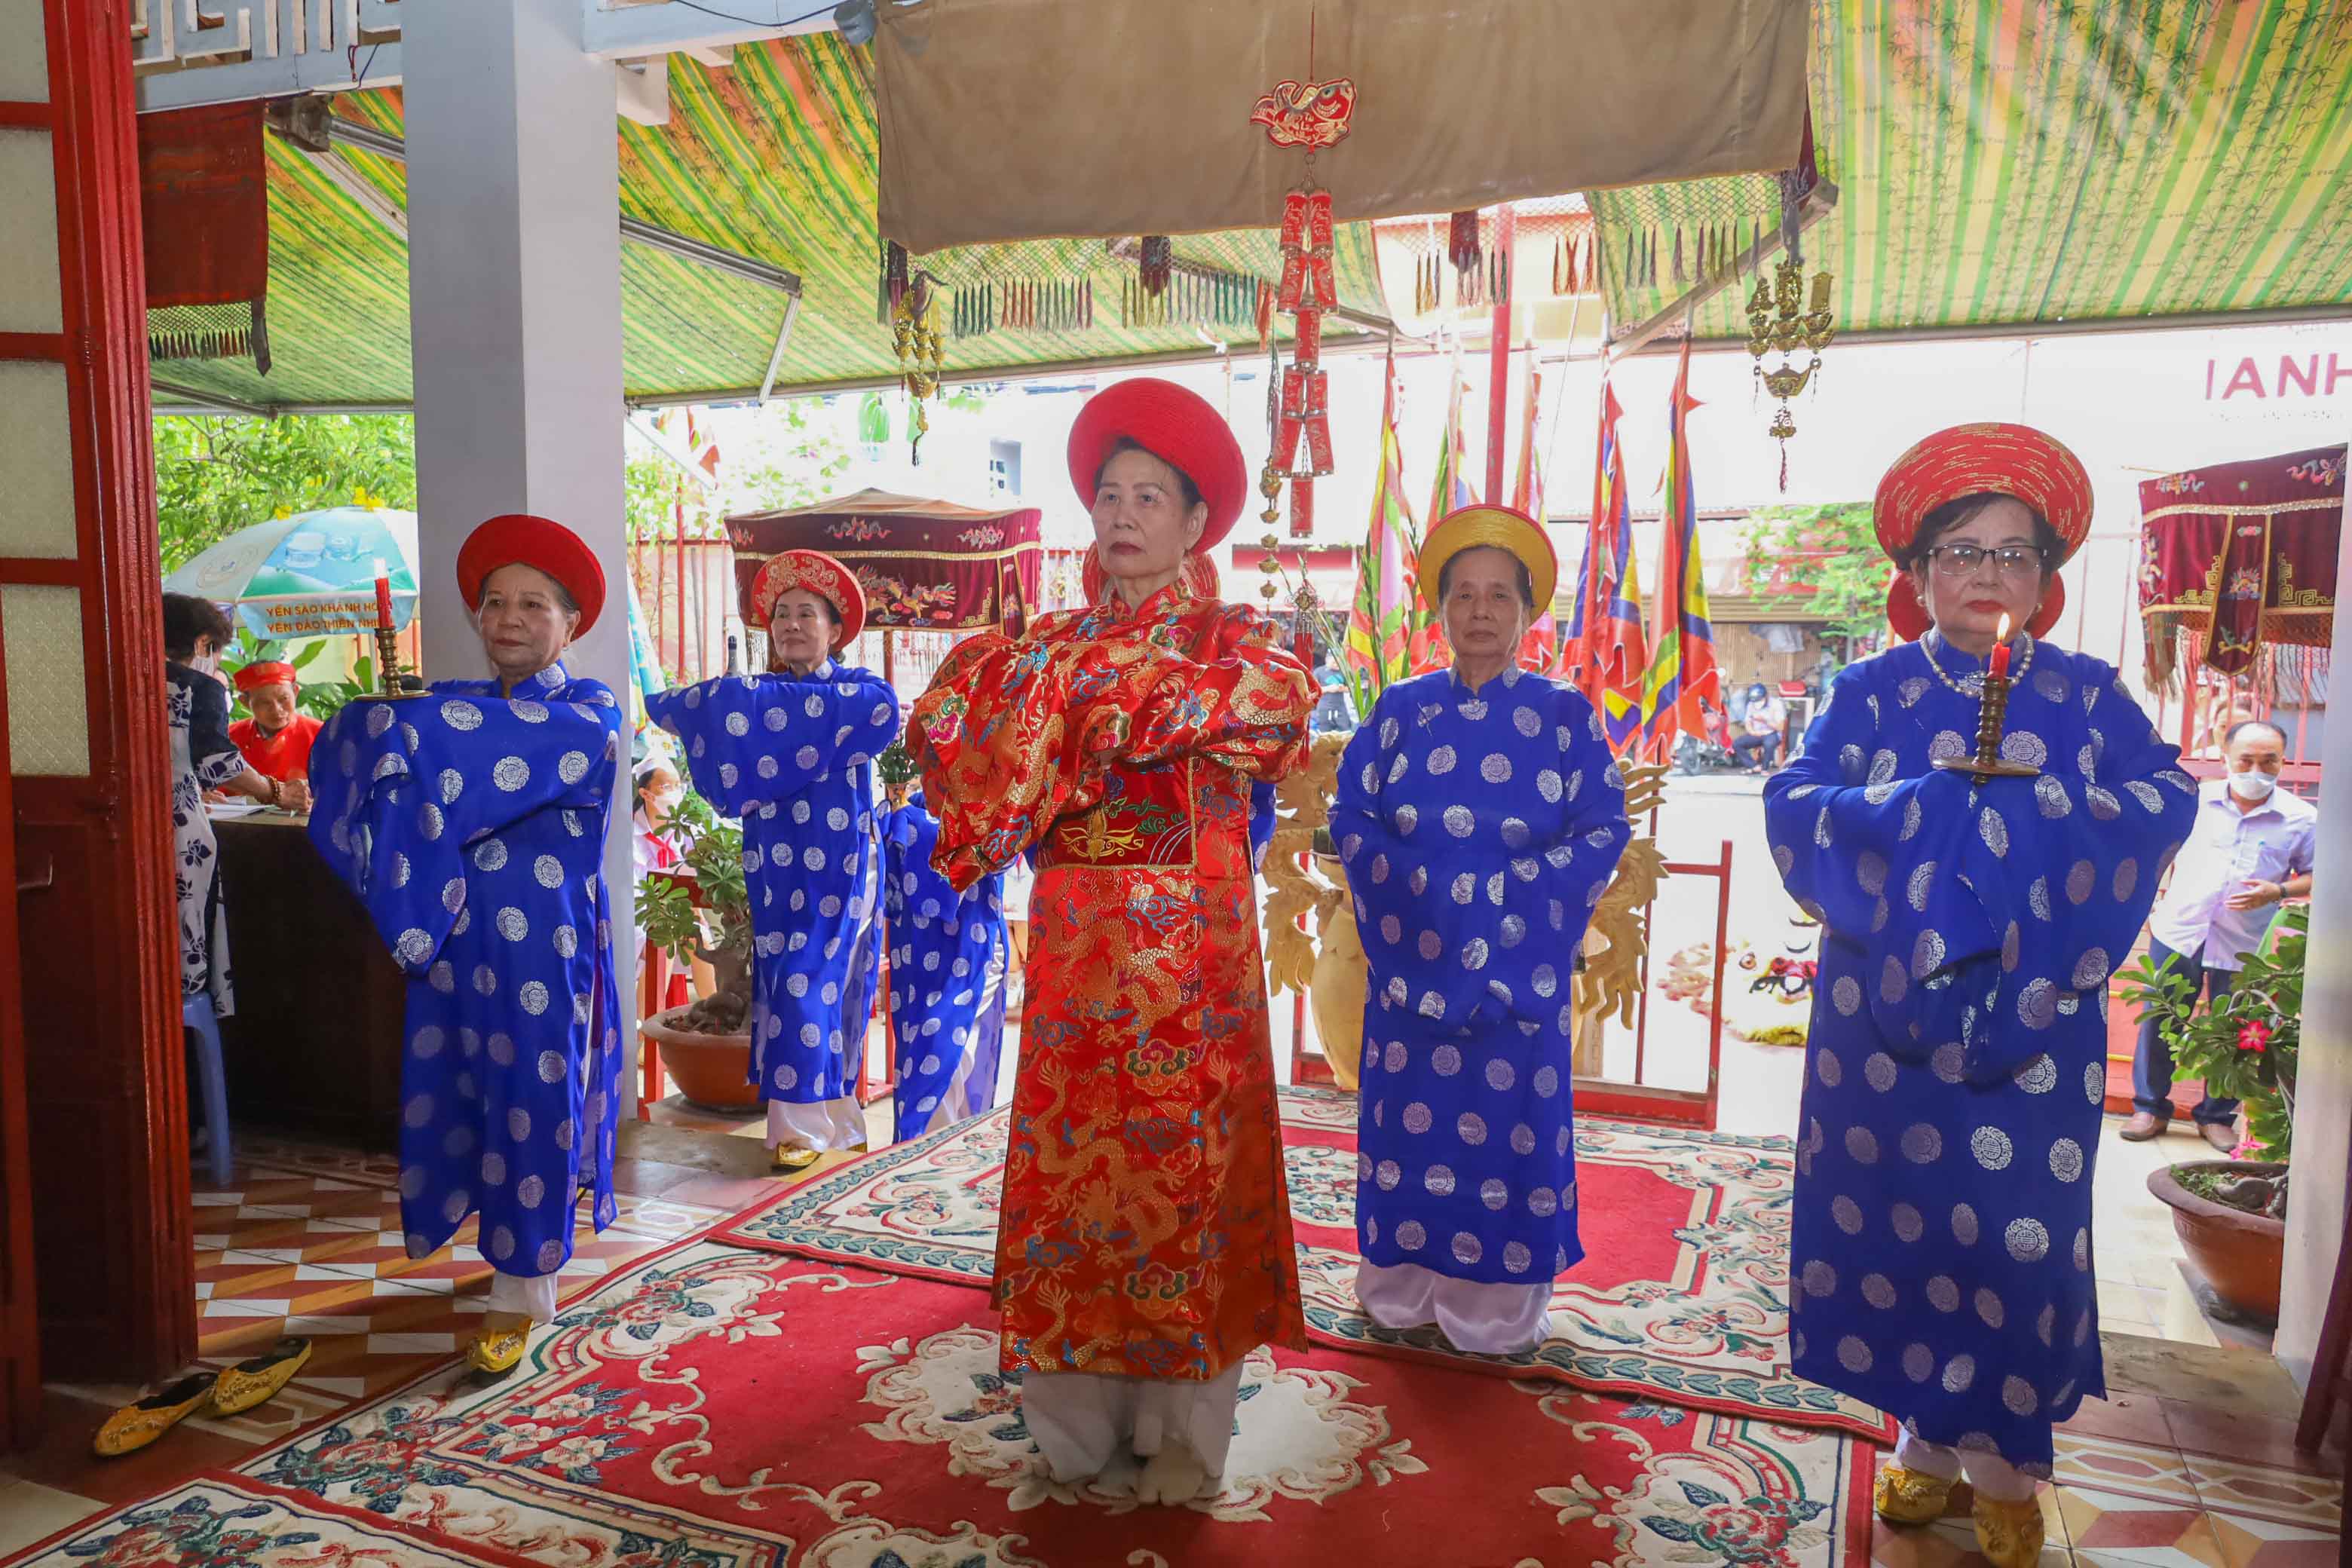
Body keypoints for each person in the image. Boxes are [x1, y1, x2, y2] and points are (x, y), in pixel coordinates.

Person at [1762, 424, 2194, 1568]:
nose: (1987, 574)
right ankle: (1922, 1440)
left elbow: (2166, 795)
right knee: (1897, 1224)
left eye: (2012, 553)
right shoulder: (1869, 690)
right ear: (1917, 578)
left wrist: (2045, 811)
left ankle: (2010, 1458)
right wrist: (1916, 805)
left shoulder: (2091, 699)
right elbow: (1794, 800)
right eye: (1961, 550)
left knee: (2012, 1239)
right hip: (1882, 1035)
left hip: (2036, 1029)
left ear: (2045, 582)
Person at [908, 378, 1317, 1504]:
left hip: (1199, 952)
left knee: (1192, 1186)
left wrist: (1084, 714)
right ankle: (1077, 1428)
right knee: (1076, 1185)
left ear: (1195, 524)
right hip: (1083, 949)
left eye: (1151, 496)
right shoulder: (1038, 644)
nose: (1124, 514)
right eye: (1109, 494)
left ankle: (1186, 1437)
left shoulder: (1246, 641)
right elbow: (944, 720)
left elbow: (1274, 714)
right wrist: (1095, 704)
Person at [308, 514, 626, 1378]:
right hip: (448, 933)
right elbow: (366, 734)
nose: (509, 618)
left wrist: (397, 725)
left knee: (532, 1088)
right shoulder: (455, 706)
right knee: (457, 1084)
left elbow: (437, 740)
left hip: (539, 946)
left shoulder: (588, 711)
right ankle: (492, 1243)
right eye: (494, 601)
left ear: (572, 623)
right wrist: (390, 724)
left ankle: (524, 1281)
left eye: (533, 603)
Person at [1333, 504, 1629, 1356]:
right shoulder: (1398, 709)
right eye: (1462, 593)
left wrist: (1504, 898)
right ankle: (1401, 1288)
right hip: (1408, 961)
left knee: (1505, 1134)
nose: (1481, 611)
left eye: (1500, 594)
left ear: (1529, 611)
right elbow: (1353, 813)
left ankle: (1496, 1307)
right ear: (1440, 610)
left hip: (1515, 978)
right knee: (1406, 1125)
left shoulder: (1566, 717)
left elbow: (1602, 827)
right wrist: (1421, 896)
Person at [645, 551, 897, 1171]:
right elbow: (690, 709)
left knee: (834, 988)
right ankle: (808, 1126)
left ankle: (826, 1123)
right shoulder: (750, 700)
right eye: (781, 614)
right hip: (778, 870)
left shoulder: (858, 692)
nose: (790, 625)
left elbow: (885, 715)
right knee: (793, 985)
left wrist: (758, 716)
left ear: (835, 630)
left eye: (806, 614)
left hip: (845, 869)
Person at [2124, 717, 2314, 1149]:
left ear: (2283, 762)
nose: (2256, 770)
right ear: (2225, 757)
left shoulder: (2300, 818)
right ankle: (2149, 1108)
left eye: (2269, 761)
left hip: (2247, 942)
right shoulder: (2193, 803)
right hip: (2180, 929)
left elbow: (2317, 875)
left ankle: (2216, 1116)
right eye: (2246, 760)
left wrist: (2278, 890)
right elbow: (2151, 848)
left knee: (2238, 1028)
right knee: (2161, 1019)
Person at [164, 596, 309, 1022]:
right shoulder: (196, 685)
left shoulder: (125, 678)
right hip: (180, 841)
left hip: (127, 835)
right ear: (204, 643)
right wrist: (276, 792)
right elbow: (218, 764)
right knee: (189, 953)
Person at [880, 780, 1009, 1141]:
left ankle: (933, 1142)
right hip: (916, 944)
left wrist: (910, 822)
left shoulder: (992, 784)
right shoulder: (915, 801)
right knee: (918, 1037)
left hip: (972, 935)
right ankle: (924, 1144)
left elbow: (1005, 845)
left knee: (944, 1037)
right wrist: (902, 815)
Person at [228, 660, 324, 786]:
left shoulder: (322, 734)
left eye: (284, 699)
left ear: (295, 692)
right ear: (245, 702)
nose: (276, 709)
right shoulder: (229, 738)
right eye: (264, 702)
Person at [1732, 680, 1789, 772]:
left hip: (1772, 733)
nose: (1757, 703)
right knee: (1737, 744)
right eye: (1755, 701)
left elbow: (1780, 727)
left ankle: (1765, 768)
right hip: (1757, 733)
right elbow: (1748, 722)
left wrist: (1765, 720)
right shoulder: (1751, 704)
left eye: (1760, 700)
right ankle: (1754, 766)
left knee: (1769, 743)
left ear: (1766, 696)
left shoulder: (1776, 704)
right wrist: (1753, 732)